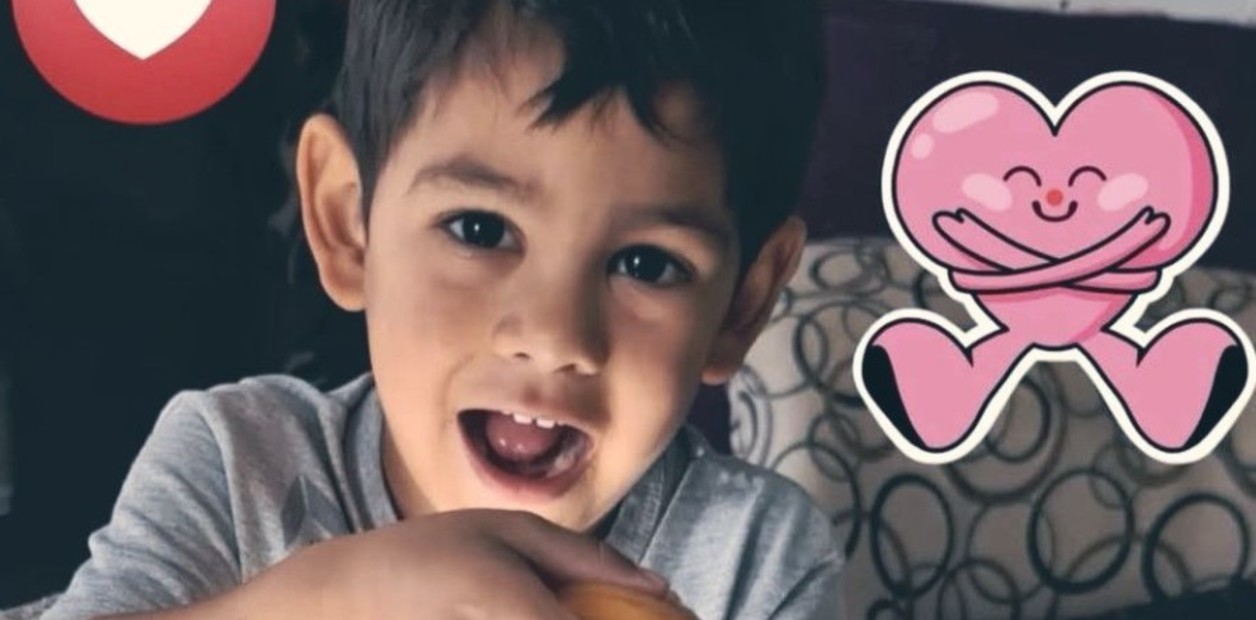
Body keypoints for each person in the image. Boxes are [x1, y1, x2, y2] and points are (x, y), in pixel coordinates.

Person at [36, 0, 838, 617]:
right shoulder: (237, 461)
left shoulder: (752, 557)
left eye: (645, 265)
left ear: (742, 304)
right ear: (347, 222)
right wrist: (329, 597)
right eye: (480, 229)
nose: (552, 334)